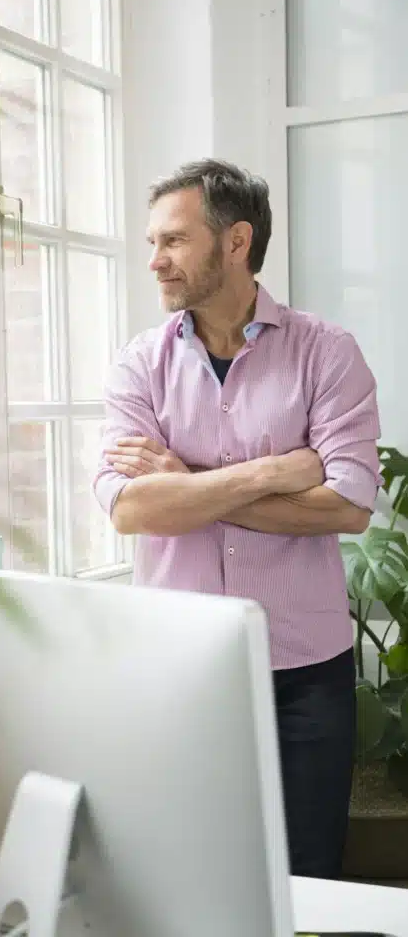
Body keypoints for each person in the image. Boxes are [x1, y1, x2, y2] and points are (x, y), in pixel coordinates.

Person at [93, 158, 381, 880]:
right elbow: (131, 508)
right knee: (189, 873)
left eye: (175, 241)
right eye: (152, 242)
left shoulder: (327, 353)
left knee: (308, 875)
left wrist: (186, 484)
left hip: (303, 672)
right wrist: (273, 472)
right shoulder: (139, 365)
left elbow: (345, 505)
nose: (155, 261)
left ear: (236, 241)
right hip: (177, 663)